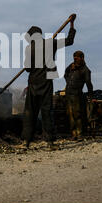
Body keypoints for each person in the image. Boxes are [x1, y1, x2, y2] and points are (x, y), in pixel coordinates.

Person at [22, 17, 76, 148]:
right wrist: (72, 24)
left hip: (33, 83)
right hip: (46, 81)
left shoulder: (29, 48)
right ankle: (50, 142)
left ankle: (26, 141)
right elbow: (70, 41)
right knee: (47, 111)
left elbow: (28, 68)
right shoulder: (50, 43)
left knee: (30, 112)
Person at [64, 50, 93, 140]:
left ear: (82, 58)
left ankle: (80, 134)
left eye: (77, 57)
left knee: (77, 114)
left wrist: (90, 95)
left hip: (77, 94)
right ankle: (73, 134)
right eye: (74, 57)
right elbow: (65, 74)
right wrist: (68, 82)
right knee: (70, 114)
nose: (75, 59)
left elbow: (88, 83)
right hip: (68, 94)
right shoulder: (71, 66)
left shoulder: (85, 70)